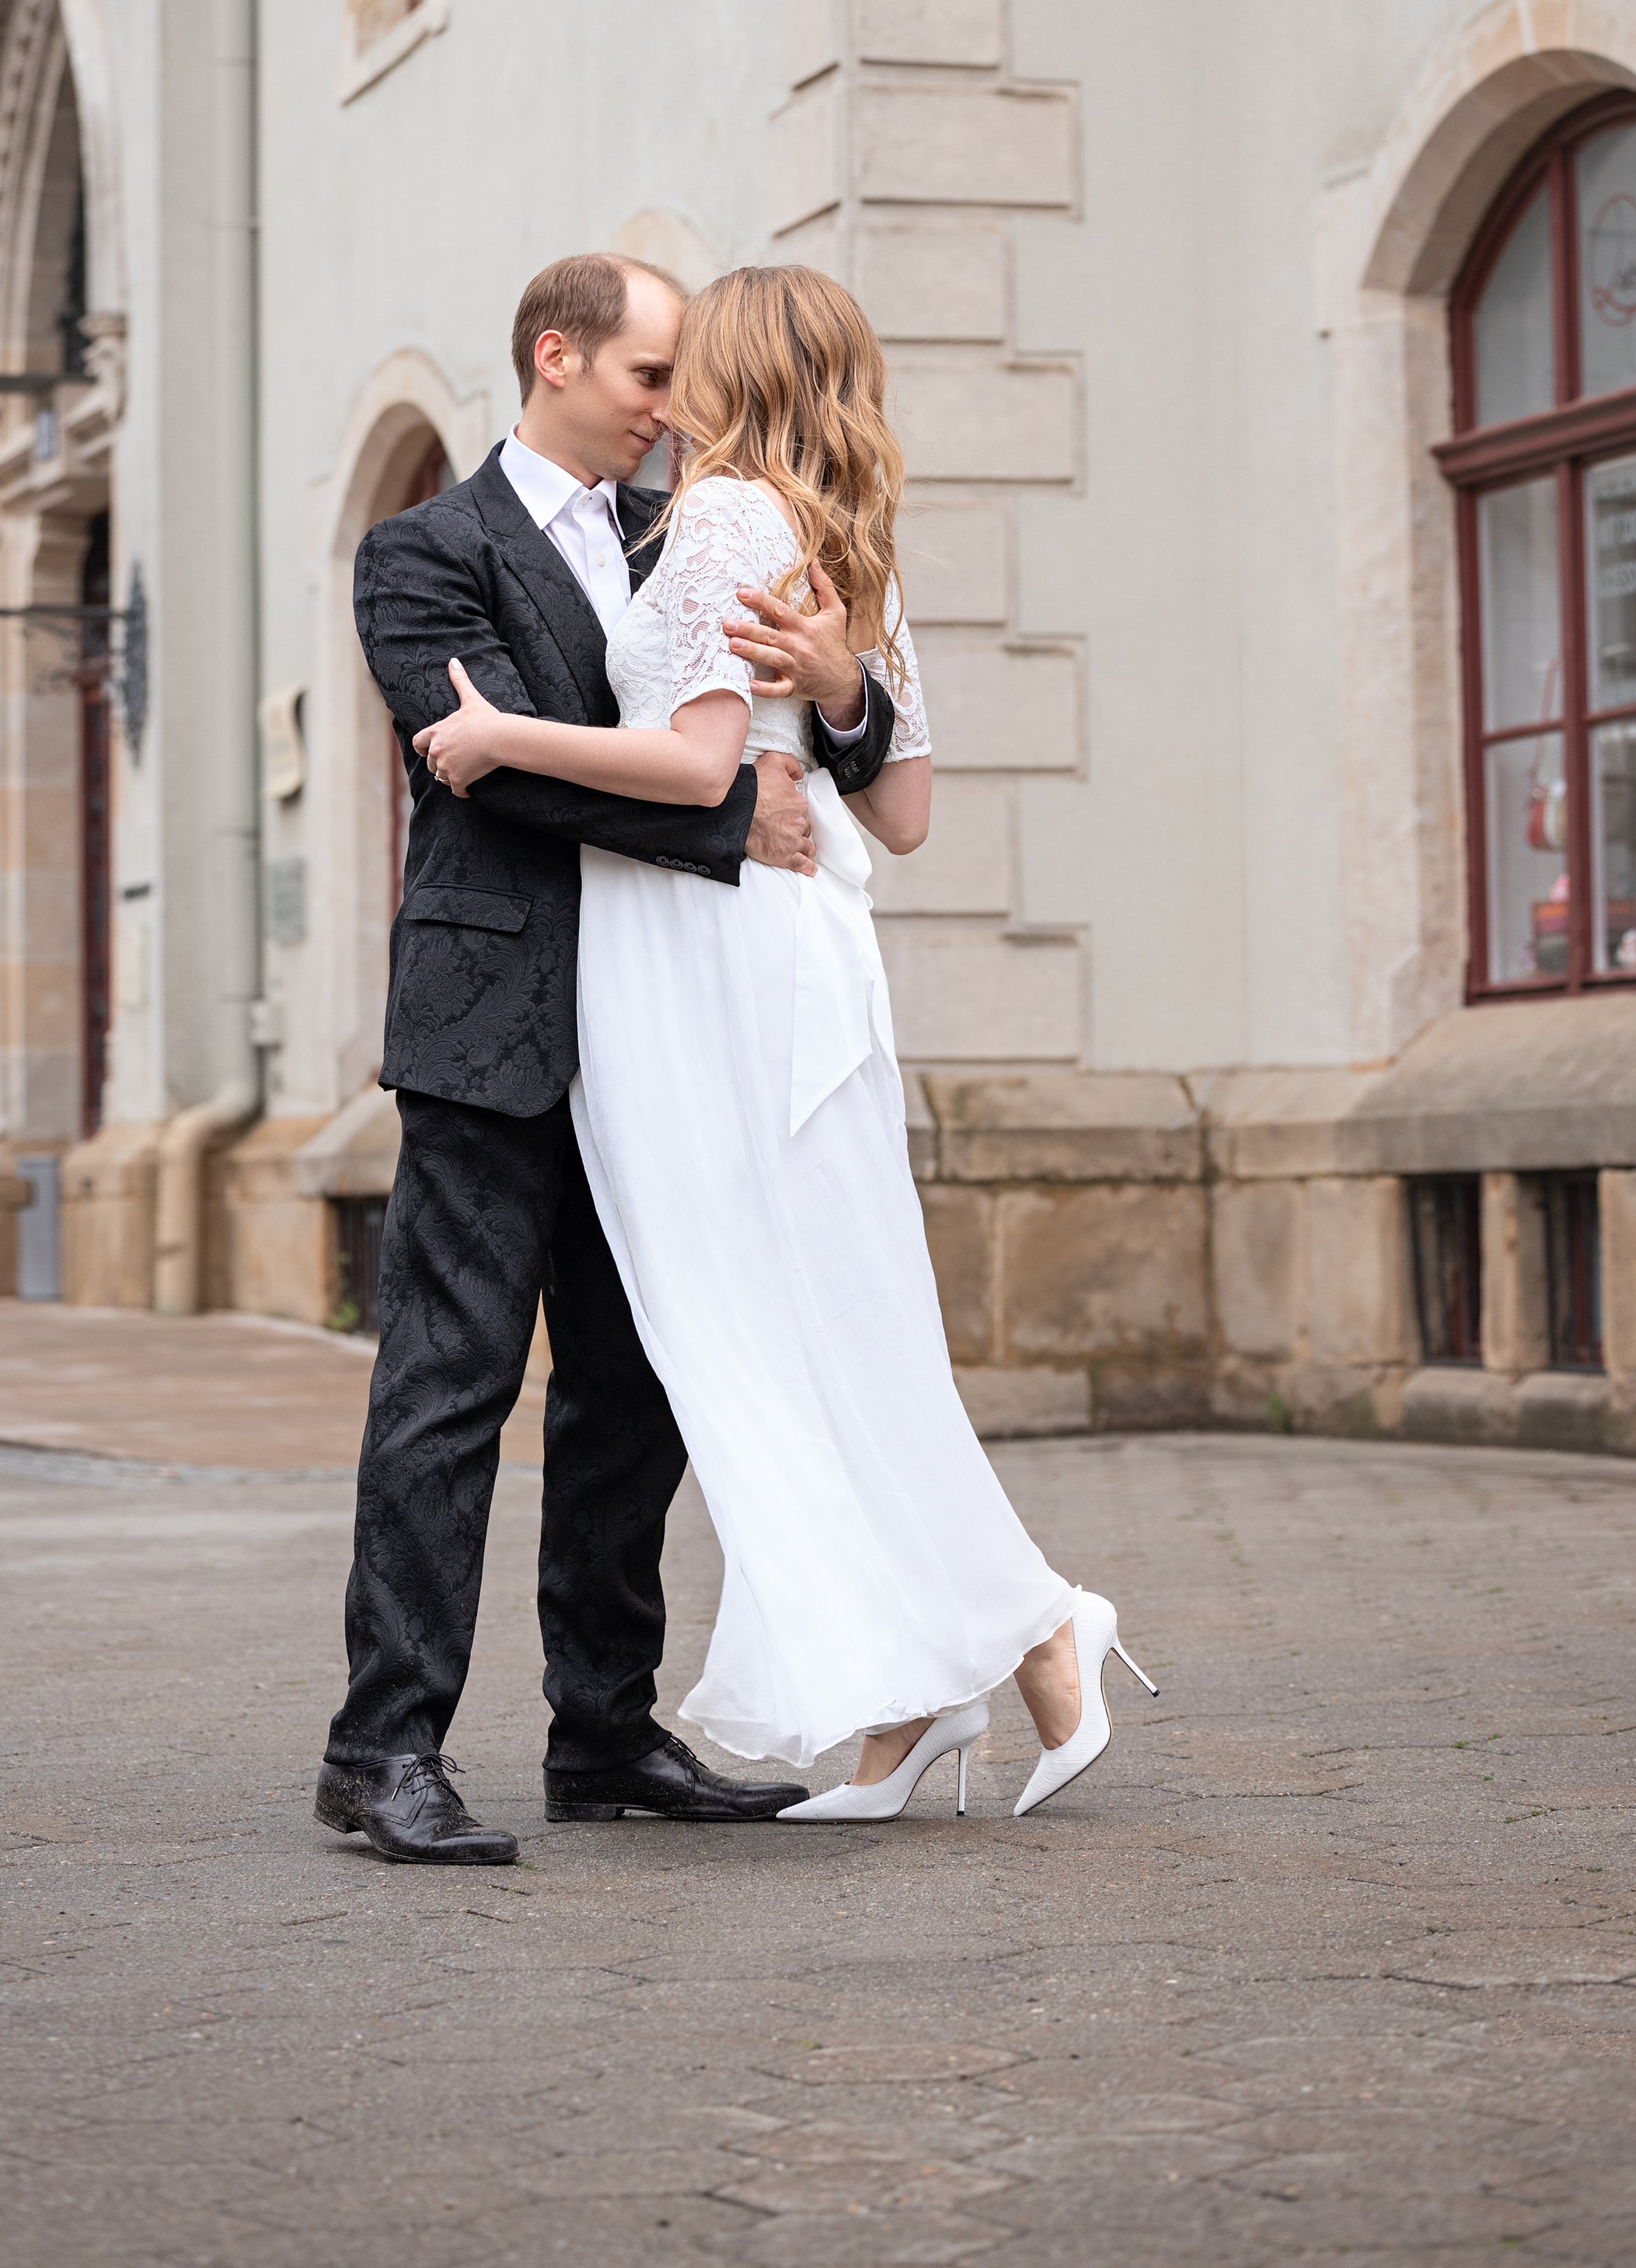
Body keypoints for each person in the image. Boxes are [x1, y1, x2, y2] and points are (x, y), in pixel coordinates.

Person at [417, 263, 1156, 1822]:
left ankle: (1029, 1625)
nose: (658, 383)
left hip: (713, 966)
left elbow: (695, 767)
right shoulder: (839, 538)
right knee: (824, 1326)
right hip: (777, 953)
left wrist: (493, 737)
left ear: (727, 374)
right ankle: (911, 1694)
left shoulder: (730, 516)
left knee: (755, 1330)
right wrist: (832, 690)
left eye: (680, 361)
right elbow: (902, 808)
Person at [316, 253, 898, 1865]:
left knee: (634, 1392)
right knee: (449, 1383)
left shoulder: (691, 532)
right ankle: (382, 1748)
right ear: (555, 358)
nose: (671, 406)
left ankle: (605, 1733)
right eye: (649, 375)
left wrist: (836, 712)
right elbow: (484, 766)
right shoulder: (418, 553)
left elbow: (821, 726)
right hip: (491, 1024)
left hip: (667, 1028)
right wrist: (730, 815)